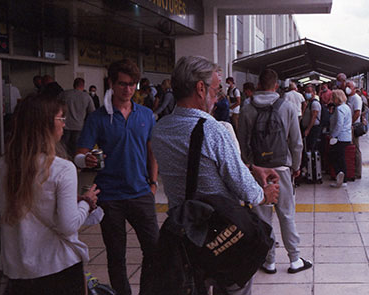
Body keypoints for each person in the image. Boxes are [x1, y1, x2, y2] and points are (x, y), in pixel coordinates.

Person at [149, 56, 281, 295]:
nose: (218, 96)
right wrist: (266, 195)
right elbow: (245, 189)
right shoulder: (213, 130)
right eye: (216, 89)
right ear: (200, 88)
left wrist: (250, 168)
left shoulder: (160, 130)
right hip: (225, 233)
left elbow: (198, 164)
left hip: (187, 236)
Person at [0, 95, 98, 294]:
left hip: (16, 270)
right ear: (46, 125)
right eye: (61, 119)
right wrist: (86, 204)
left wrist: (16, 214)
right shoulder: (62, 168)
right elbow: (68, 226)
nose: (64, 126)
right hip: (58, 266)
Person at [75, 59, 159, 295]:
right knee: (116, 255)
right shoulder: (97, 118)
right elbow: (79, 154)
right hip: (109, 196)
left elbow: (152, 151)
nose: (128, 90)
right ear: (111, 83)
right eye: (122, 84)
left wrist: (153, 183)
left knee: (154, 250)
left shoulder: (146, 115)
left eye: (133, 85)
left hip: (141, 192)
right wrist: (86, 160)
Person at [236, 68, 311, 276]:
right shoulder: (286, 106)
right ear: (276, 85)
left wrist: (249, 166)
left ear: (259, 84)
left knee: (262, 217)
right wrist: (295, 166)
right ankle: (295, 259)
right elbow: (296, 142)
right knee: (286, 214)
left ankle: (268, 261)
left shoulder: (247, 107)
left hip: (258, 169)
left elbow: (242, 141)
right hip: (282, 168)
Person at [58, 78, 96, 157]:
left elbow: (55, 108)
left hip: (65, 126)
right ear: (83, 85)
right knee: (76, 149)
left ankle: (64, 162)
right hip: (79, 126)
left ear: (74, 84)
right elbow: (92, 112)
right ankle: (75, 165)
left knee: (63, 148)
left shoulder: (64, 94)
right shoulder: (86, 97)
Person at [327, 89, 352, 188]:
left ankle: (340, 175)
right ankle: (342, 178)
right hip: (346, 136)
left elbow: (339, 124)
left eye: (333, 97)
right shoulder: (346, 107)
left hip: (340, 137)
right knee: (340, 158)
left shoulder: (339, 109)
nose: (332, 99)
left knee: (334, 157)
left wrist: (333, 135)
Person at [301, 84, 323, 169]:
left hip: (313, 130)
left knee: (311, 148)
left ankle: (312, 167)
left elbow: (314, 117)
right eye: (306, 92)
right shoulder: (310, 103)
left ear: (314, 93)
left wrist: (308, 130)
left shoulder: (315, 104)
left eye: (309, 92)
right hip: (310, 129)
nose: (307, 94)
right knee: (309, 148)